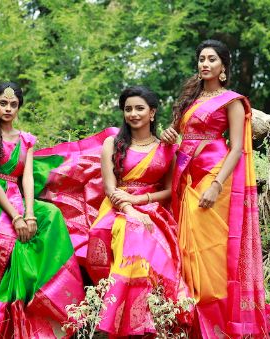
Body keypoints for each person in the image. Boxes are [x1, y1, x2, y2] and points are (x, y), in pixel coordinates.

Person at [161, 40, 270, 338]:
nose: (204, 64)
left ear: (223, 67)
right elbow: (178, 134)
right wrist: (167, 134)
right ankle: (190, 320)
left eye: (211, 59)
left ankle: (218, 325)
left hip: (213, 175)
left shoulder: (232, 101)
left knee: (211, 252)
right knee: (186, 249)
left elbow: (238, 148)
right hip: (184, 176)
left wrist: (216, 185)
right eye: (201, 59)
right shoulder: (191, 98)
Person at [0, 82, 87, 338]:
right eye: (3, 103)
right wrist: (16, 217)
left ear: (19, 107)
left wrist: (30, 213)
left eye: (13, 104)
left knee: (53, 215)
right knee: (18, 245)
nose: (8, 108)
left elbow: (28, 180)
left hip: (18, 195)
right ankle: (17, 316)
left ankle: (53, 301)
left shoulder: (26, 139)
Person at [86, 86, 188, 337]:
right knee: (134, 230)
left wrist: (141, 200)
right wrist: (131, 208)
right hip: (117, 206)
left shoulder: (167, 147)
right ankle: (129, 323)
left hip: (152, 207)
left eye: (139, 108)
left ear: (152, 113)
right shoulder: (113, 143)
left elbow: (170, 191)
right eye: (128, 109)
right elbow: (110, 188)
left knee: (144, 234)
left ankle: (147, 320)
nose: (133, 113)